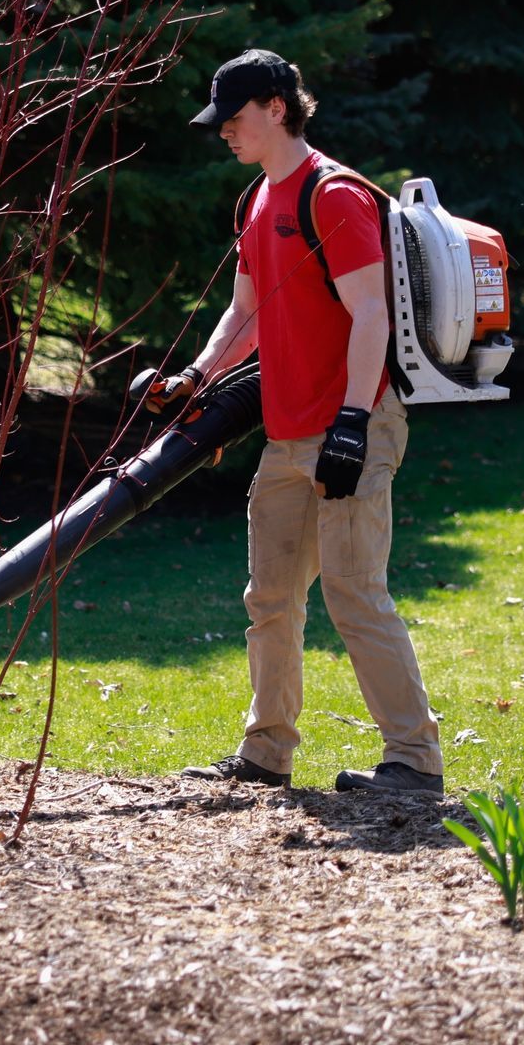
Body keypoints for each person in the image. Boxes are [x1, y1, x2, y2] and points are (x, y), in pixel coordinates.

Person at [151, 48, 444, 794]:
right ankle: (266, 753)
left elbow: (371, 312)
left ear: (278, 107)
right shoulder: (257, 201)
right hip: (288, 434)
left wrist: (351, 421)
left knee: (353, 591)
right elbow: (245, 310)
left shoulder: (333, 195)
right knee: (270, 596)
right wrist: (198, 373)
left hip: (353, 424)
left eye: (235, 119)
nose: (224, 133)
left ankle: (414, 762)